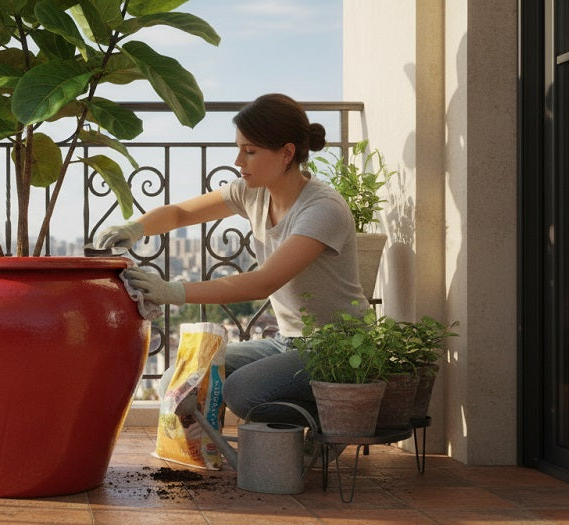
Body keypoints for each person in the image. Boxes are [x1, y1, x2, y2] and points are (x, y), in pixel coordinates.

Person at [95, 93, 369, 423]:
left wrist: (174, 292)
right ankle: (221, 457)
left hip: (337, 347)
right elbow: (180, 214)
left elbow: (263, 282)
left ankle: (335, 417)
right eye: (239, 148)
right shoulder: (251, 191)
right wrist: (136, 227)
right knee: (178, 382)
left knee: (243, 391)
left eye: (250, 151)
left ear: (286, 153)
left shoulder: (322, 210)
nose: (239, 161)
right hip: (285, 343)